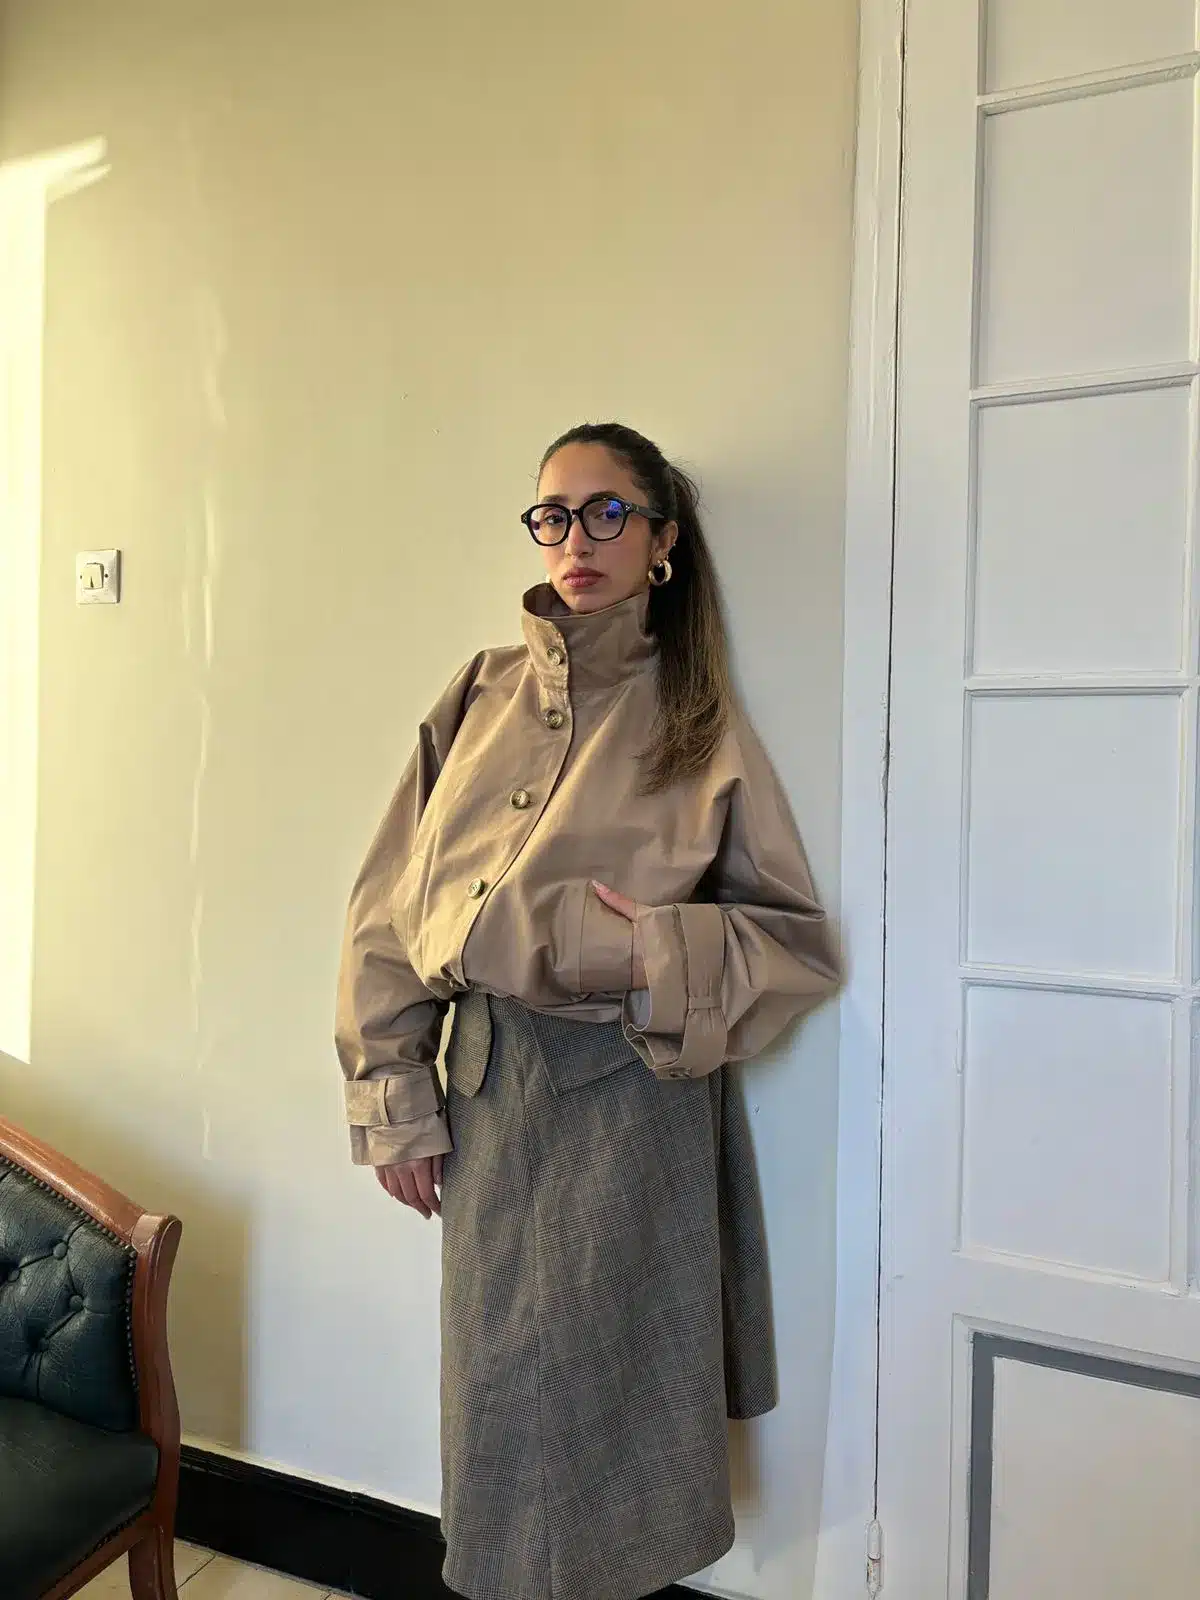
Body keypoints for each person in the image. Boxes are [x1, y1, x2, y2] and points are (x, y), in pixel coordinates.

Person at [335, 421, 839, 1600]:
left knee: (614, 1417)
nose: (576, 538)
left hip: (630, 1104)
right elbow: (386, 908)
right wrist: (394, 1097)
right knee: (499, 1402)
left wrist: (650, 948)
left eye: (608, 511)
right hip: (484, 1091)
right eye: (554, 514)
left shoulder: (697, 715)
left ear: (662, 540)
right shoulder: (478, 693)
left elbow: (794, 943)